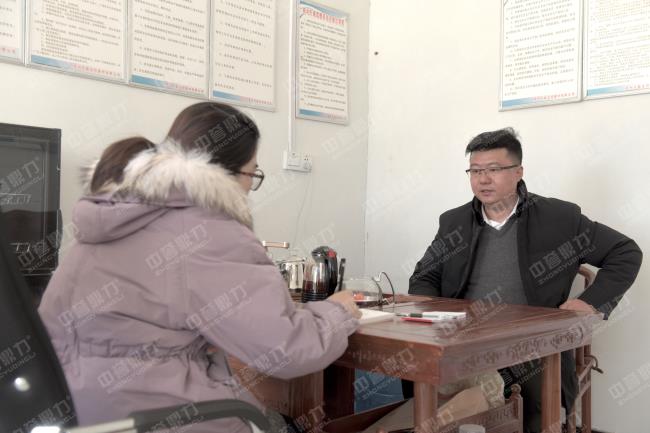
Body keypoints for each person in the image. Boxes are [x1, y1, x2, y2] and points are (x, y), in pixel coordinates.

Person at [38, 102, 361, 433]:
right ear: (227, 173)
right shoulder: (207, 229)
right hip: (158, 415)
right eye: (252, 174)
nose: (249, 188)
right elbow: (287, 349)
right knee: (281, 422)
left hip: (70, 411)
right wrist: (338, 312)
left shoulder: (109, 215)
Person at [408, 127, 642, 433]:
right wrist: (435, 318)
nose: (483, 179)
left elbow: (625, 252)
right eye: (475, 170)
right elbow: (424, 276)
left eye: (494, 169)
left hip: (532, 346)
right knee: (417, 368)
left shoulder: (559, 218)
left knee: (518, 398)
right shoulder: (454, 221)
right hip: (464, 342)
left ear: (518, 172)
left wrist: (590, 302)